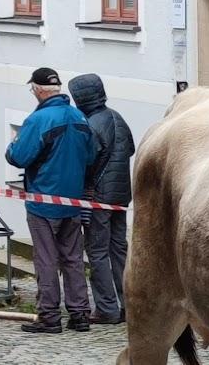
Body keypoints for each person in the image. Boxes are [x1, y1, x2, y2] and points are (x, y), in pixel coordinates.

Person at [5, 67, 97, 334]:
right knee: (72, 258)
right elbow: (90, 156)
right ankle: (80, 314)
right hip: (73, 200)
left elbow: (18, 157)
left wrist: (12, 146)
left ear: (39, 89)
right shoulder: (78, 116)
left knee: (46, 259)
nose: (33, 92)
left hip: (43, 201)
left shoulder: (39, 119)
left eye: (33, 88)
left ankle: (49, 316)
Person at [66, 74, 135, 325]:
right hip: (121, 194)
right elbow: (130, 149)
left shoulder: (92, 123)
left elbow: (88, 159)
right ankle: (130, 304)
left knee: (97, 251)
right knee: (119, 250)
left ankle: (107, 308)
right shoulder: (117, 117)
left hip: (98, 196)